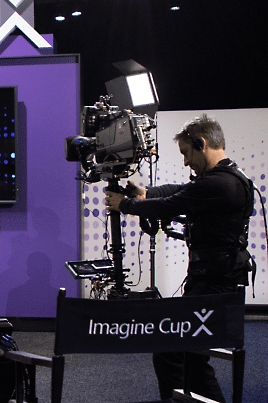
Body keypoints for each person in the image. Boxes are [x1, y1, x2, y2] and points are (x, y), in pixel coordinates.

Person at [105, 114, 252, 402]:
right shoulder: (220, 179)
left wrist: (126, 205)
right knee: (183, 355)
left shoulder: (221, 184)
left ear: (202, 143)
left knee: (180, 354)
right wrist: (146, 194)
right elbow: (181, 191)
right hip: (210, 284)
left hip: (215, 288)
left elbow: (175, 203)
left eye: (187, 153)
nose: (186, 162)